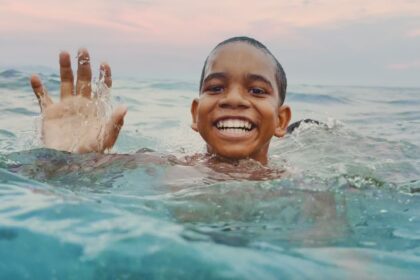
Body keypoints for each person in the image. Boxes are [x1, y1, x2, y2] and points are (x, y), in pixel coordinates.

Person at [30, 36, 291, 166]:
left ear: (281, 121)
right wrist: (66, 157)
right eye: (216, 87)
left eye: (257, 91)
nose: (233, 99)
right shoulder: (162, 168)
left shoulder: (307, 192)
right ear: (195, 114)